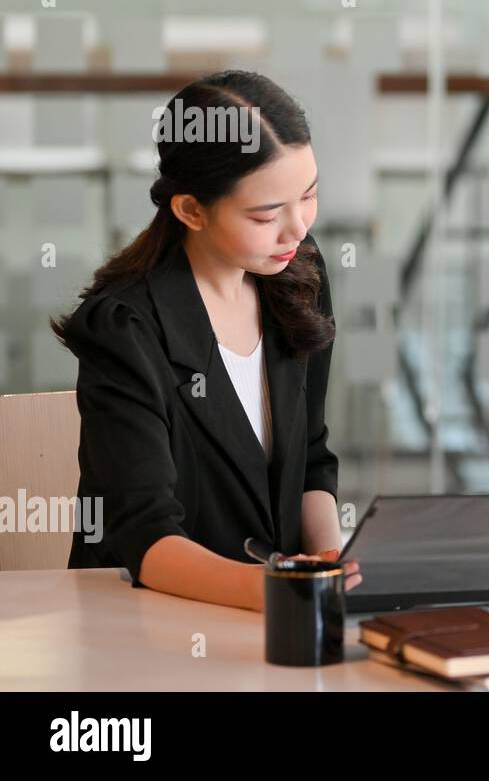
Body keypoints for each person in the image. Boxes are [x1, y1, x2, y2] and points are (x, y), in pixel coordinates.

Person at [51, 70, 361, 610]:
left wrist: (330, 570)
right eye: (266, 213)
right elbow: (145, 539)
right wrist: (280, 588)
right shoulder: (125, 327)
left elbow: (312, 458)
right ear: (191, 210)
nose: (296, 228)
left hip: (269, 625)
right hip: (147, 634)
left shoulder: (297, 276)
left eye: (308, 195)